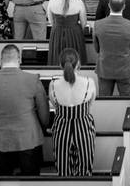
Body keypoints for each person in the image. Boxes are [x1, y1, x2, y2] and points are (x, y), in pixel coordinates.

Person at [0, 44, 50, 175]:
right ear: (19, 59)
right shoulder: (33, 79)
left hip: (0, 138)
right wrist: (43, 127)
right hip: (28, 138)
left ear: (1, 60)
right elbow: (44, 112)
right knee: (31, 179)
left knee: (2, 180)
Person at [48, 48, 97, 176]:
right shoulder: (89, 82)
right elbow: (90, 104)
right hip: (83, 126)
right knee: (85, 168)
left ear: (60, 65)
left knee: (63, 169)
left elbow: (54, 104)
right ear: (78, 64)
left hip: (61, 127)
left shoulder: (53, 84)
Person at [93, 0, 130, 96]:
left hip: (104, 68)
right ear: (124, 7)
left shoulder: (98, 24)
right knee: (127, 100)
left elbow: (96, 48)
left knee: (104, 101)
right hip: (125, 68)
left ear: (109, 6)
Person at [47, 0, 89, 65]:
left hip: (57, 33)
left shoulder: (52, 0)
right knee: (74, 60)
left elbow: (50, 22)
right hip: (74, 34)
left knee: (57, 60)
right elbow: (83, 23)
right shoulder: (79, 2)